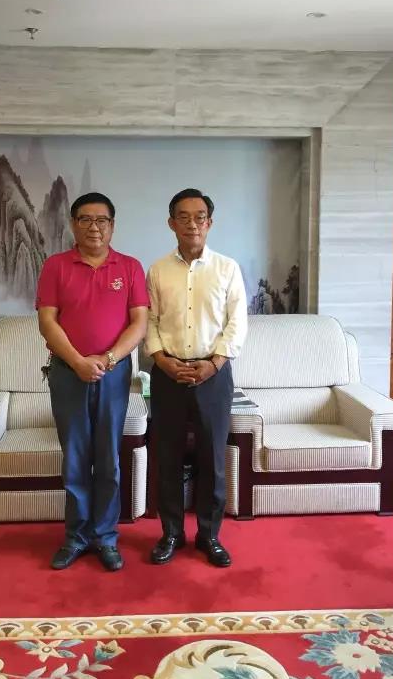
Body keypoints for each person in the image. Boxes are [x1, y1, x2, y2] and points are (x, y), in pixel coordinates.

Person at [36, 192, 148, 571]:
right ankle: (76, 537)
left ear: (112, 226)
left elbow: (139, 323)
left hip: (114, 376)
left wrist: (109, 359)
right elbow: (47, 322)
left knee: (108, 458)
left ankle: (106, 537)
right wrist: (78, 362)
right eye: (85, 219)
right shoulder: (56, 266)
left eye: (101, 220)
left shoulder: (130, 267)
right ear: (73, 224)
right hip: (68, 374)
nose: (94, 227)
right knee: (75, 458)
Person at [145, 188, 248, 568]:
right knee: (168, 457)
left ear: (210, 222)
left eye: (200, 216)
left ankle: (209, 536)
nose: (192, 223)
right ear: (171, 223)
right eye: (184, 217)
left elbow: (237, 323)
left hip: (213, 375)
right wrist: (161, 359)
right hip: (168, 374)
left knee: (212, 458)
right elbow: (150, 322)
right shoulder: (158, 270)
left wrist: (215, 363)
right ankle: (171, 534)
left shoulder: (227, 268)